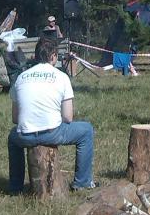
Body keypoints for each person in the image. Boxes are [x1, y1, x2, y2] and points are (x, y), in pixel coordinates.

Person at [7, 37, 96, 194]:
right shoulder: (61, 77)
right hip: (52, 132)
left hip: (25, 135)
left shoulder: (21, 77)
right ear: (53, 56)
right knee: (86, 131)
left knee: (13, 138)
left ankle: (15, 187)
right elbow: (68, 117)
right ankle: (82, 182)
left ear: (35, 56)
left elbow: (15, 118)